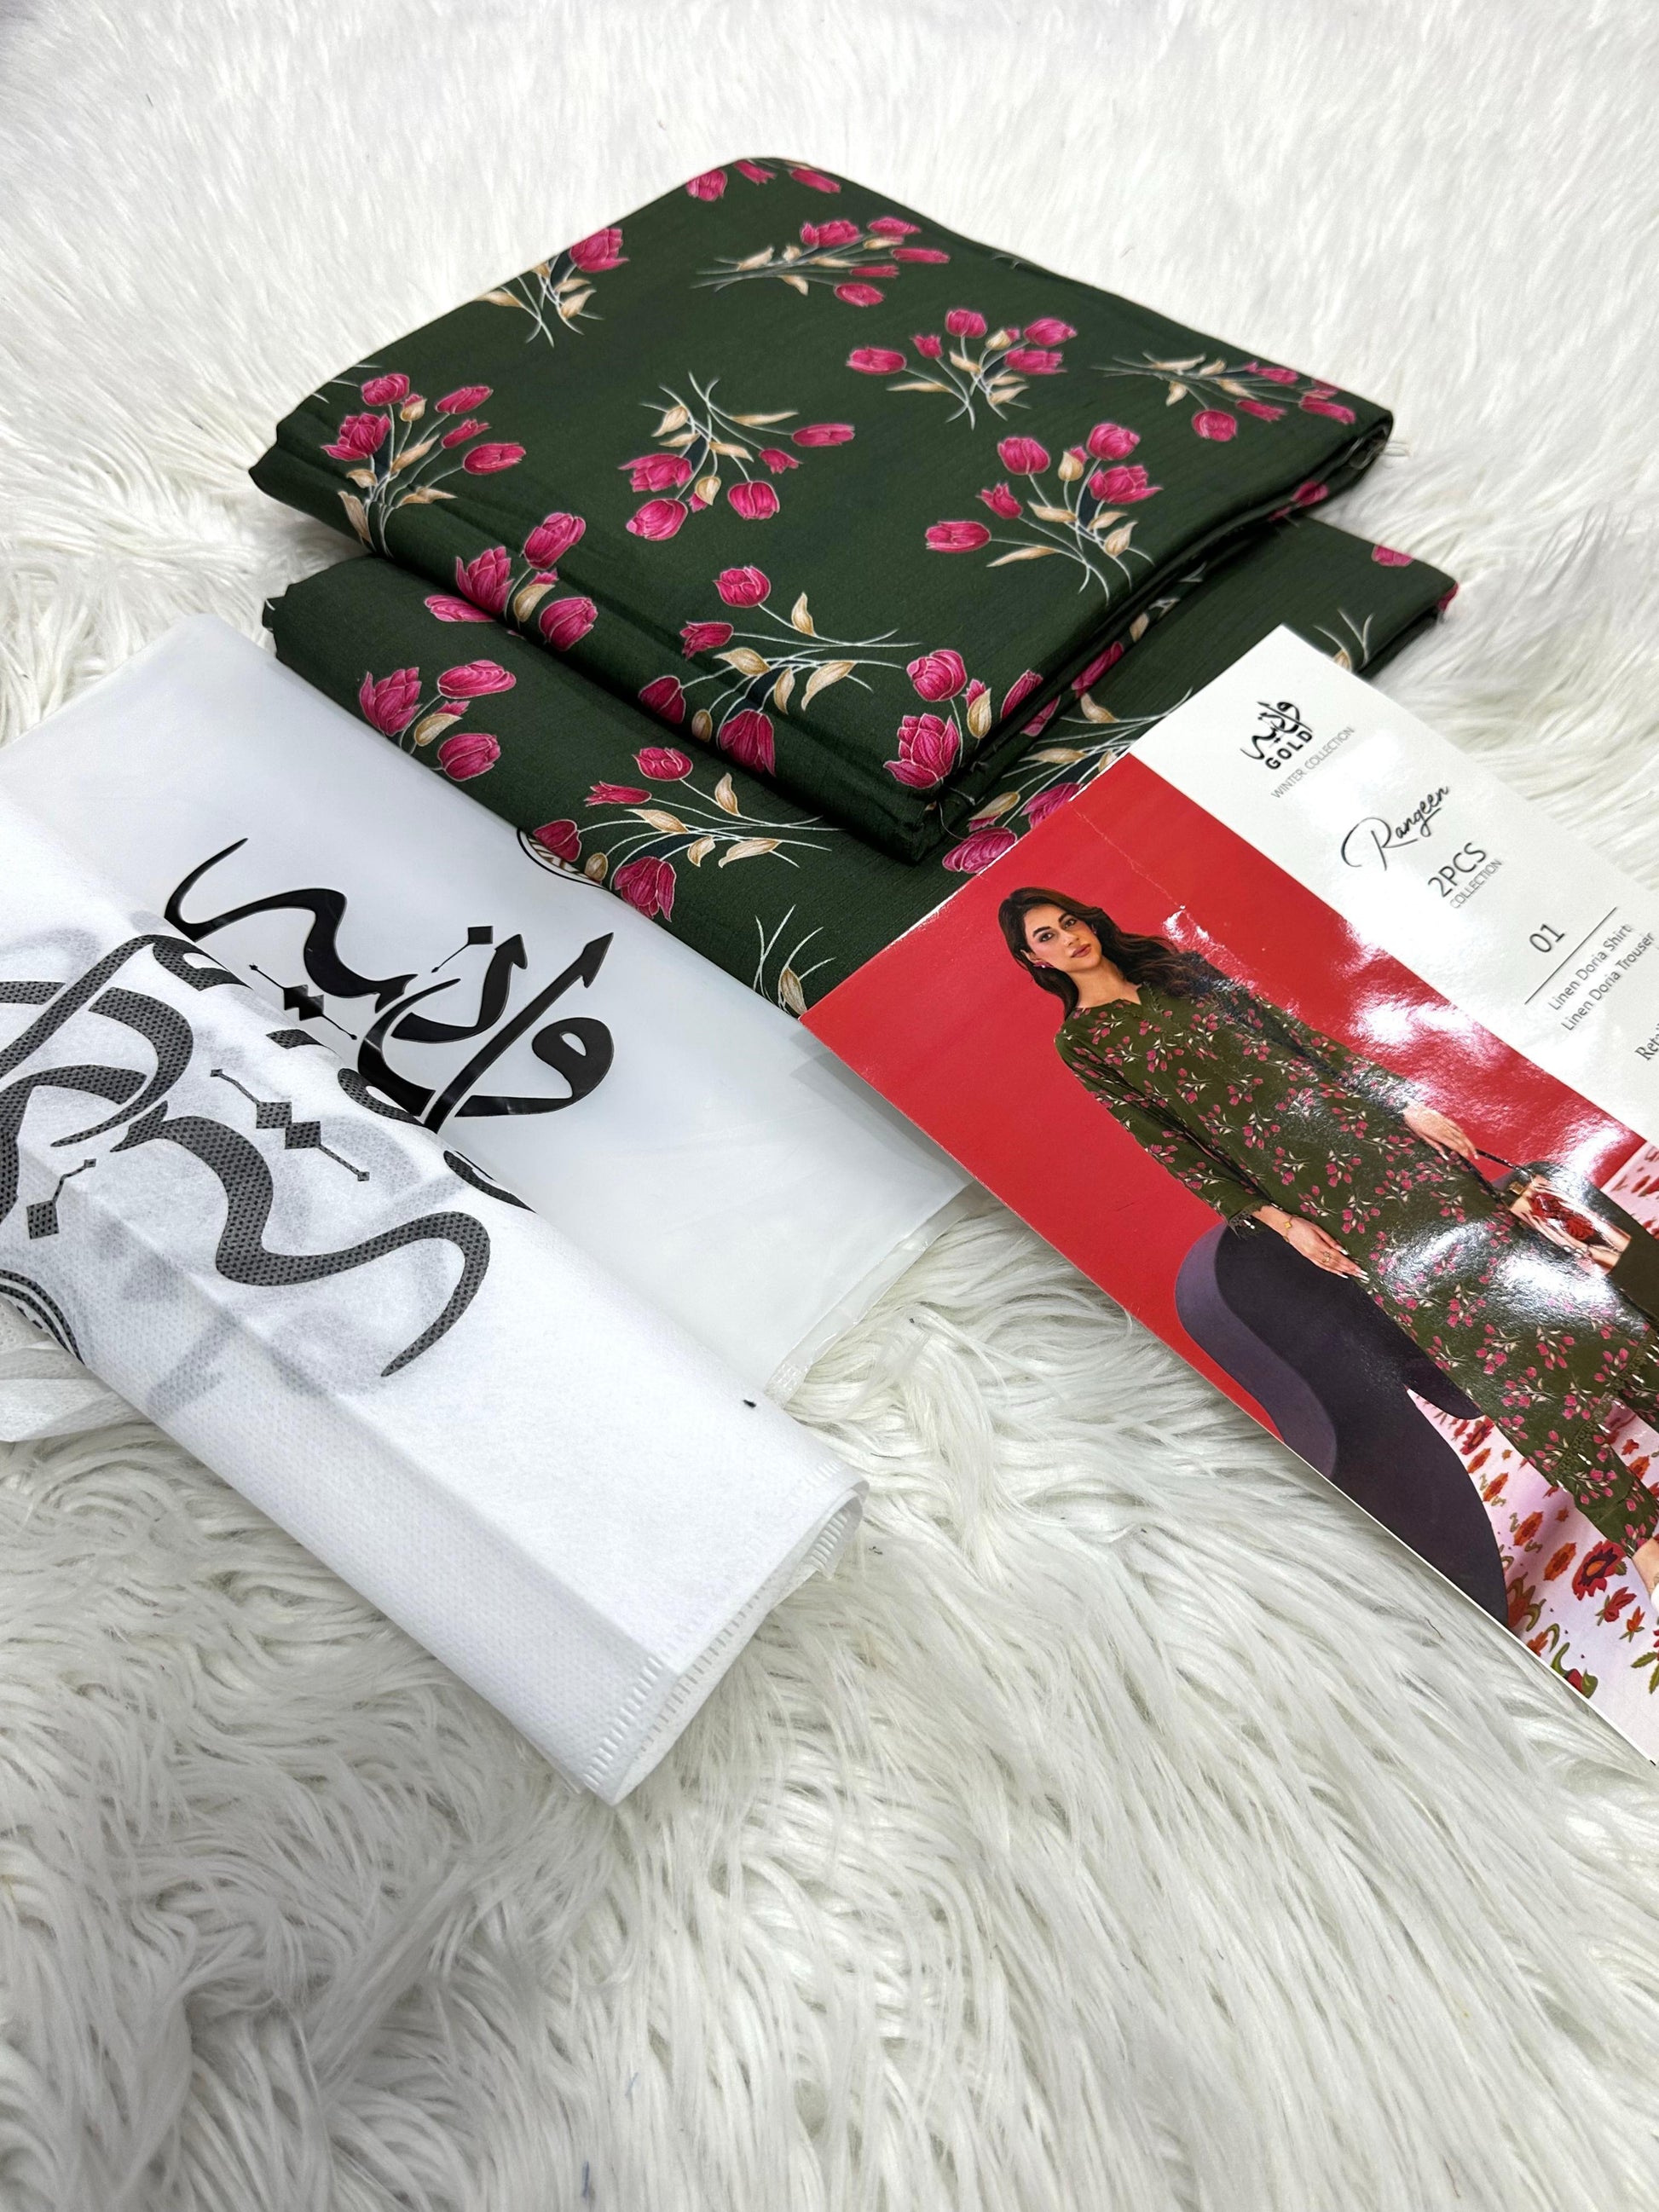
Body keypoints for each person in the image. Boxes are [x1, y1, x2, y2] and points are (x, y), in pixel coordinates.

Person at [999, 886, 1659, 1590]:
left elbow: (1298, 1039)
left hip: (1378, 1141)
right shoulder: (1085, 1043)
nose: (1069, 937)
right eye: (1047, 936)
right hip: (1321, 1200)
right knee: (1482, 1355)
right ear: (1032, 959)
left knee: (1540, 1288)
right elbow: (1169, 1144)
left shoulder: (1177, 969)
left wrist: (1405, 1104)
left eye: (1069, 921)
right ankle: (1641, 1537)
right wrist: (1282, 1223)